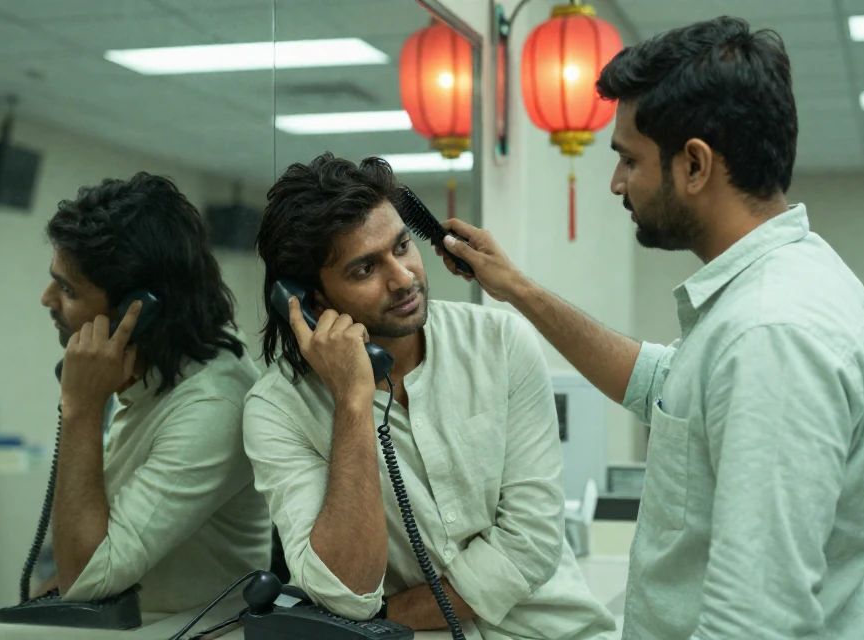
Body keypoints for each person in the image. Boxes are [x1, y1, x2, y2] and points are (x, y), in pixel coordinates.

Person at [433, 16, 864, 640]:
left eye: (628, 160)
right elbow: (660, 386)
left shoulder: (772, 335)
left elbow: (755, 622)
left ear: (695, 165)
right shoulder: (767, 292)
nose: (617, 183)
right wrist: (516, 288)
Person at [242, 153, 616, 640]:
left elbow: (531, 544)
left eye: (402, 247)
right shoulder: (277, 409)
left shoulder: (500, 344)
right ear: (312, 302)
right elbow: (345, 592)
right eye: (364, 270)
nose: (401, 277)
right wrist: (353, 401)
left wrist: (387, 616)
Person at [39, 172, 270, 612]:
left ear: (136, 311)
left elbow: (88, 577)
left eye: (68, 288)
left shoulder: (213, 404)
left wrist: (81, 409)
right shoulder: (149, 372)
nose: (47, 298)